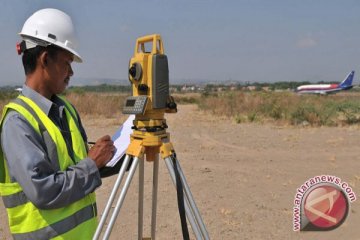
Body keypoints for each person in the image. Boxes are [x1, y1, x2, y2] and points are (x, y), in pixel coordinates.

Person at [0, 8, 116, 239]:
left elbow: (76, 167)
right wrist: (92, 164)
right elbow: (44, 190)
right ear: (44, 59)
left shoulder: (66, 110)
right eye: (66, 62)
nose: (71, 72)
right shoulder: (18, 122)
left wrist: (116, 155)